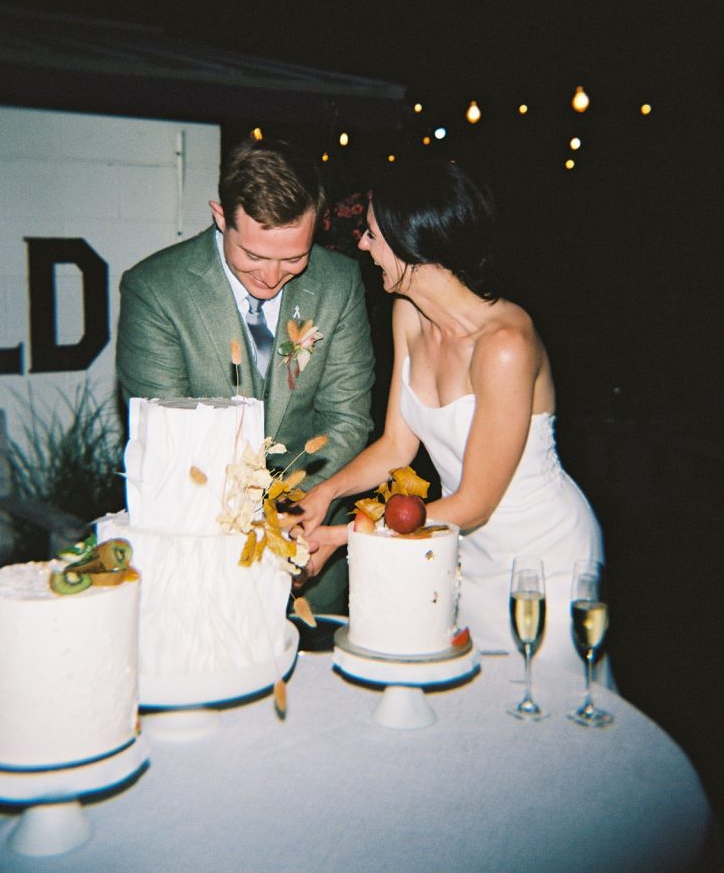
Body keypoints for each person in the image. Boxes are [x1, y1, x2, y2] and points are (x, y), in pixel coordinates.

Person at [298, 157, 606, 677]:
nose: (364, 245)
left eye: (372, 234)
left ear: (411, 241)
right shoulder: (409, 316)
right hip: (460, 547)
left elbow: (475, 502)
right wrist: (324, 494)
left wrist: (347, 535)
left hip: (542, 561)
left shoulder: (505, 344)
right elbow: (397, 445)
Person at [116, 137, 375, 614]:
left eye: (293, 258)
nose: (272, 277)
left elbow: (347, 417)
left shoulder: (339, 282)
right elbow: (173, 438)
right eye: (254, 256)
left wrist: (294, 513)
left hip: (311, 555)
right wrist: (253, 521)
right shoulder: (155, 291)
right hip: (203, 557)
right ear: (220, 216)